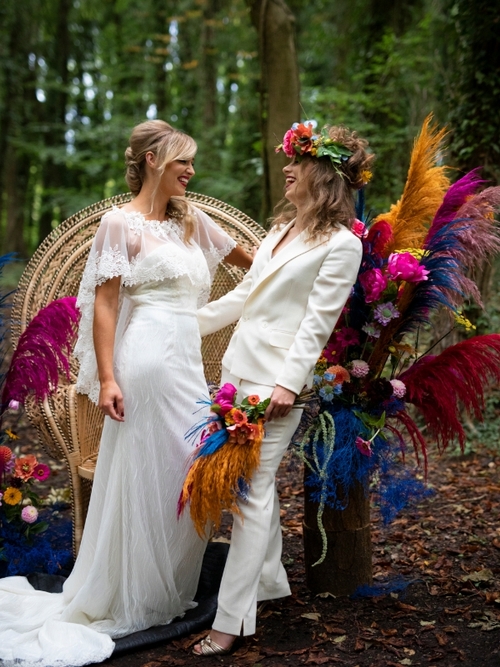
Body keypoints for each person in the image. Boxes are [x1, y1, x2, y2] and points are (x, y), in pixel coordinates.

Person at [0, 120, 252, 667]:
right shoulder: (120, 224)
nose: (192, 171)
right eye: (183, 161)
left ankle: (166, 588)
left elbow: (254, 264)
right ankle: (136, 595)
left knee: (187, 468)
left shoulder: (194, 222)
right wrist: (109, 378)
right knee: (149, 472)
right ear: (155, 160)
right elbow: (107, 304)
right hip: (146, 360)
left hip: (187, 362)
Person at [192, 123, 373, 655]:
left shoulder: (343, 246)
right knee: (246, 490)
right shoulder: (278, 230)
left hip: (273, 388)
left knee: (249, 496)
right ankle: (269, 583)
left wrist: (288, 386)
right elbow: (244, 296)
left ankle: (230, 622)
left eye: (296, 165)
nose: (286, 171)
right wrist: (178, 322)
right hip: (234, 373)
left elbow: (316, 324)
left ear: (322, 176)